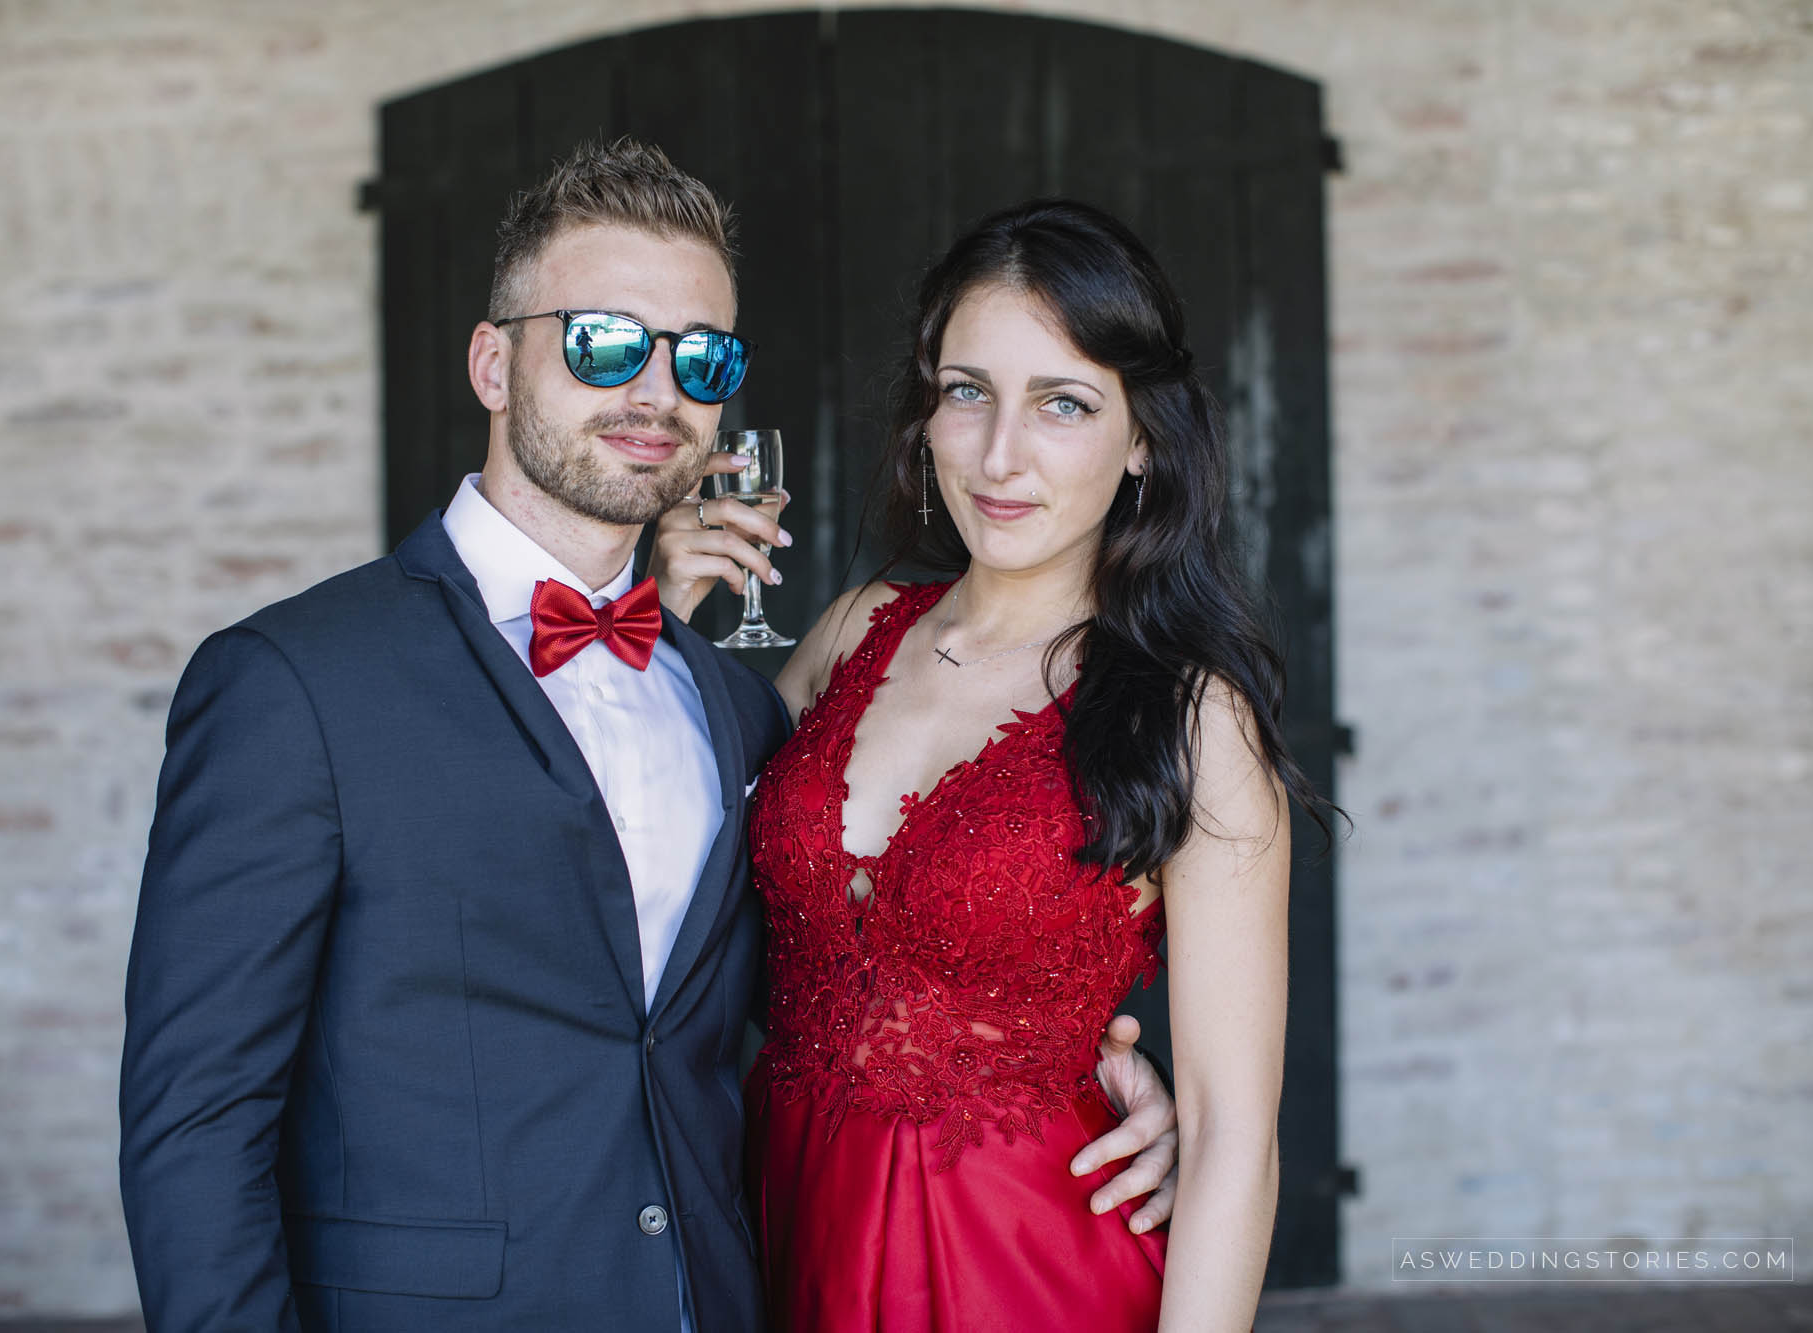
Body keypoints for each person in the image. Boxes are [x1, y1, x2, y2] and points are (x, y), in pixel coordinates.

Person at [118, 141, 1180, 1332]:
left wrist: (1093, 1078)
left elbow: (851, 979)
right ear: (491, 363)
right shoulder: (292, 683)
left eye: (699, 354)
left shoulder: (734, 710)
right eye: (602, 341)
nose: (654, 389)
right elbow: (195, 1124)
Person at [654, 198, 1335, 1332]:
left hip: (1027, 1272)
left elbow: (1230, 1138)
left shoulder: (1191, 717)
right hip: (778, 1244)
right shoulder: (852, 630)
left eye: (1063, 403)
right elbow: (645, 871)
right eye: (967, 392)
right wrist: (665, 616)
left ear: (1142, 439)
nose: (999, 453)